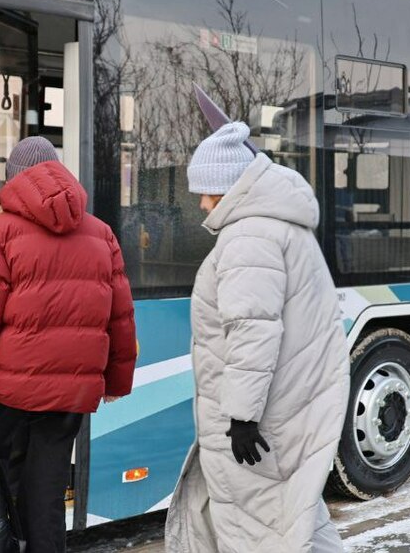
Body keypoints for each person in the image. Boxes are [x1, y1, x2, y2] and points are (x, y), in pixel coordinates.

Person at [165, 87, 349, 552]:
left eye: (206, 193)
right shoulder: (278, 225)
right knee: (290, 516)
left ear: (229, 186)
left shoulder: (250, 237)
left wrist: (242, 416)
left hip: (262, 420)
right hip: (286, 407)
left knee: (257, 528)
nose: (203, 205)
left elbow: (252, 330)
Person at [0, 136, 137, 553]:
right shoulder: (101, 234)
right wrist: (117, 382)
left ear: (15, 181)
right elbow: (120, 317)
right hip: (70, 396)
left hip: (10, 392)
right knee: (47, 495)